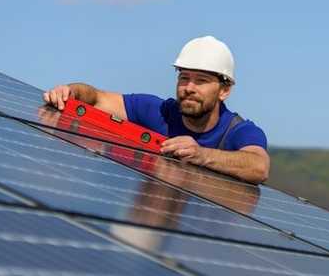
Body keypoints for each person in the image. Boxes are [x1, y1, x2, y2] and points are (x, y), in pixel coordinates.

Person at [42, 36, 269, 184]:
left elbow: (259, 167)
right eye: (184, 78)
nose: (189, 88)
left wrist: (201, 154)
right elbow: (96, 97)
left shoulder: (239, 131)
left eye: (201, 80)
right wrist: (71, 91)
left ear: (224, 90)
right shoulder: (158, 111)